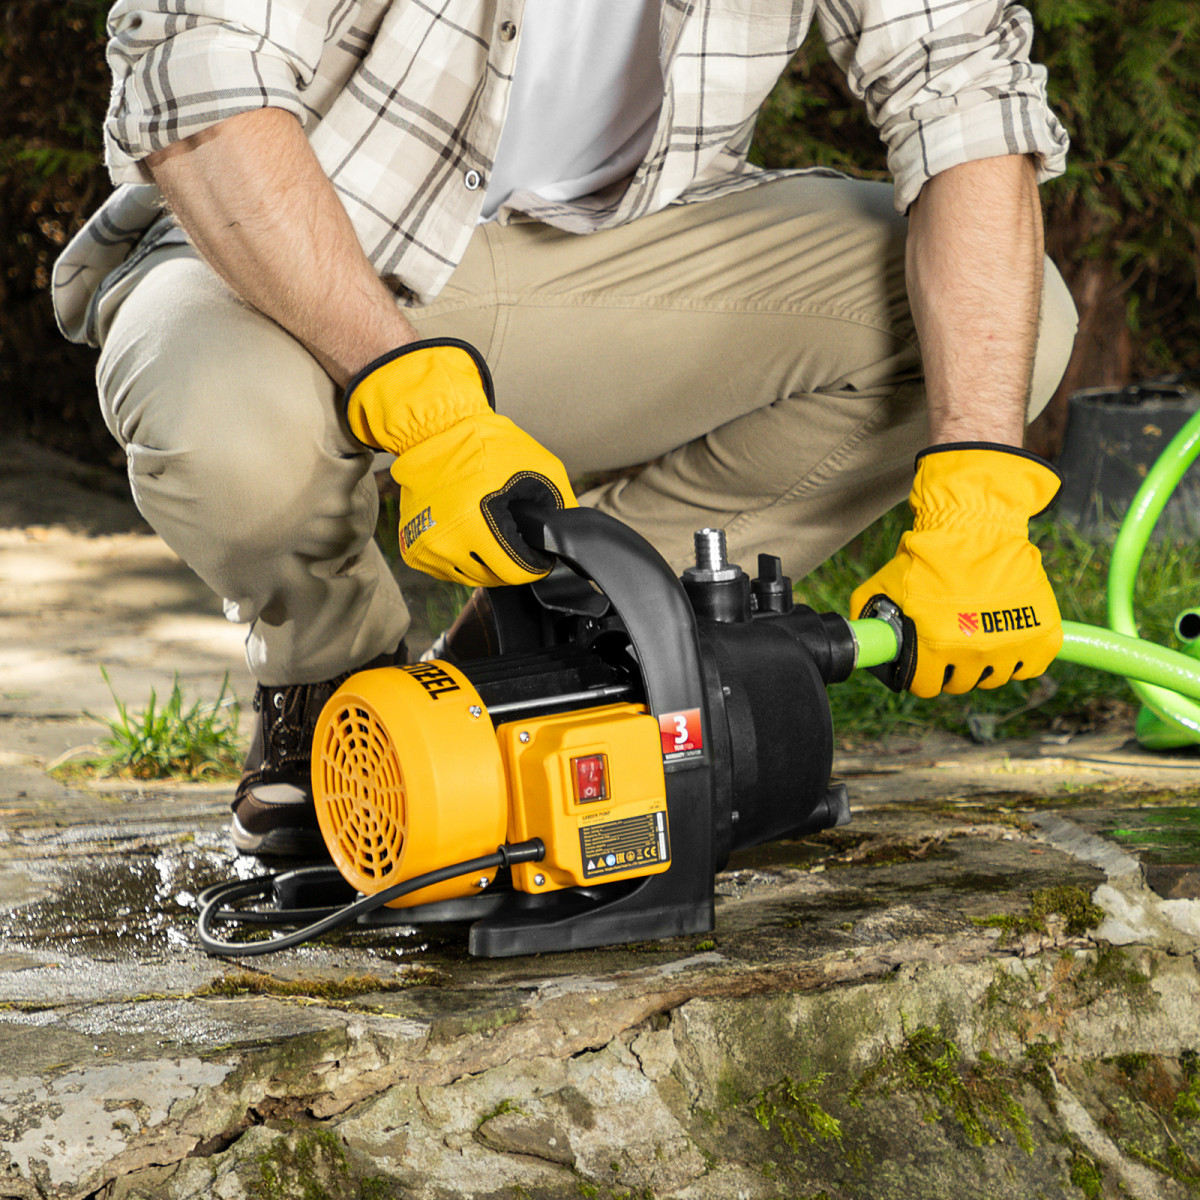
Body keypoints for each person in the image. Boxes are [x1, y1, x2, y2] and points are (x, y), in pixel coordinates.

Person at [54, 0, 1078, 857]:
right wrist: (423, 406)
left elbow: (965, 89)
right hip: (294, 245)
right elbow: (202, 79)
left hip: (615, 265)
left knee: (1000, 339)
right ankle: (336, 698)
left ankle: (544, 648)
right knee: (222, 424)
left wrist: (981, 494)